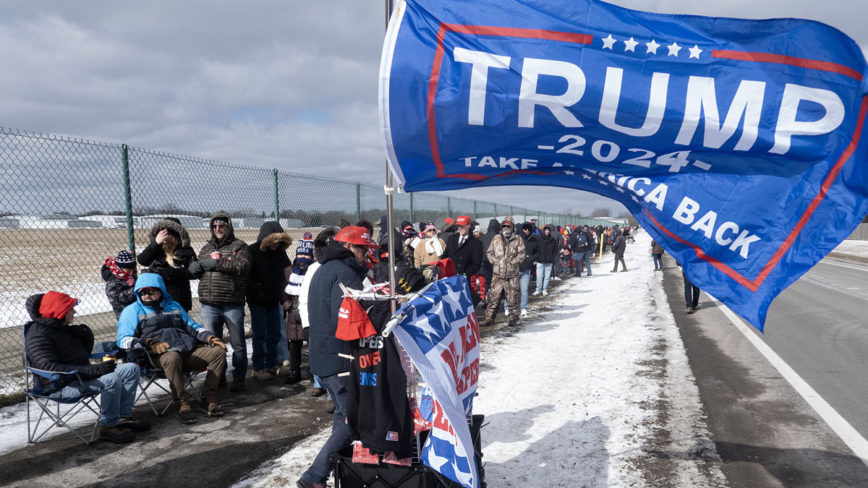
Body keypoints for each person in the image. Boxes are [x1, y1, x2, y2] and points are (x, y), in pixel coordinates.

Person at [299, 226, 372, 487]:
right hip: (339, 357)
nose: (367, 254)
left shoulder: (324, 268)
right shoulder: (344, 273)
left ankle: (332, 473)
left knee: (342, 416)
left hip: (324, 356)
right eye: (363, 249)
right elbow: (347, 321)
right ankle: (313, 476)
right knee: (353, 420)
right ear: (349, 247)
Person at [25, 291, 149, 443]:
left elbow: (83, 354)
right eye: (71, 309)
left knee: (131, 369)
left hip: (80, 376)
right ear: (60, 312)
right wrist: (95, 370)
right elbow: (49, 367)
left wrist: (84, 334)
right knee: (111, 378)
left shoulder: (61, 328)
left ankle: (122, 417)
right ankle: (109, 427)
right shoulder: (38, 334)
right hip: (59, 385)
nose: (74, 312)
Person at [117, 274, 227, 423]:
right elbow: (123, 340)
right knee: (172, 356)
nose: (146, 296)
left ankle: (208, 399)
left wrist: (209, 337)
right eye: (142, 292)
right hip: (156, 357)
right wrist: (148, 343)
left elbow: (192, 327)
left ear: (160, 291)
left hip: (186, 352)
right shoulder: (132, 311)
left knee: (218, 352)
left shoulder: (174, 306)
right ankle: (183, 404)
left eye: (150, 291)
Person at [189, 211, 251, 392]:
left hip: (232, 303)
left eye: (221, 225)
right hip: (209, 304)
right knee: (213, 344)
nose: (218, 229)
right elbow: (201, 269)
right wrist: (195, 269)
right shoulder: (206, 248)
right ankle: (219, 377)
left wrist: (218, 263)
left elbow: (243, 266)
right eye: (215, 226)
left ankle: (239, 377)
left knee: (238, 344)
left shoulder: (240, 246)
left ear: (228, 226)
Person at [246, 221, 293, 381]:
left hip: (274, 299)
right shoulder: (252, 251)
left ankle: (272, 364)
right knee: (260, 335)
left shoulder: (279, 252)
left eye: (278, 241)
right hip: (258, 301)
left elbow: (287, 271)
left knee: (274, 333)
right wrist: (257, 292)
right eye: (272, 241)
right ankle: (258, 367)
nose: (275, 244)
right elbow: (247, 277)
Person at [136, 218, 198, 311]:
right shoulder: (157, 248)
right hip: (157, 297)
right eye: (161, 233)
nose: (164, 236)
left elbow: (194, 272)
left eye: (168, 233)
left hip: (178, 297)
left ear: (176, 235)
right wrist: (155, 243)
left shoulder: (185, 250)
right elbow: (143, 261)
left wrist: (173, 273)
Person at [284, 231, 314, 384]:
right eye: (301, 254)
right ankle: (294, 371)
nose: (304, 258)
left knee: (312, 343)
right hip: (294, 313)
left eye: (308, 255)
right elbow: (281, 291)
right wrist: (289, 306)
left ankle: (313, 373)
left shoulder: (314, 270)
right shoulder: (288, 271)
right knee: (295, 344)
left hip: (310, 312)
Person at [483, 217, 525, 327]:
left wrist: (513, 262)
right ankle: (489, 319)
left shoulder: (518, 239)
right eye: (504, 226)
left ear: (512, 227)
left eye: (508, 226)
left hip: (512, 275)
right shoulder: (496, 238)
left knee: (513, 298)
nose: (506, 228)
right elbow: (489, 252)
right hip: (498, 274)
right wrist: (495, 261)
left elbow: (522, 254)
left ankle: (513, 319)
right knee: (493, 298)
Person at [444, 215, 484, 305]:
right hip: (450, 277)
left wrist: (465, 273)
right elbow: (445, 255)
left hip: (464, 278)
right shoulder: (452, 239)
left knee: (465, 303)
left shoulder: (476, 243)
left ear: (469, 225)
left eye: (462, 226)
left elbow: (476, 264)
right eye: (458, 226)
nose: (460, 228)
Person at [102, 250, 137, 319]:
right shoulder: (113, 281)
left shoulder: (130, 276)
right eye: (128, 268)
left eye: (132, 268)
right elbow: (118, 297)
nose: (131, 271)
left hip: (135, 309)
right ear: (120, 268)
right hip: (124, 314)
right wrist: (135, 289)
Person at [518, 222, 539, 316]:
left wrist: (532, 258)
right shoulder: (517, 239)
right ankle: (508, 307)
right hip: (515, 268)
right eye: (525, 229)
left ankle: (524, 307)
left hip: (527, 268)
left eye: (529, 229)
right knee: (511, 289)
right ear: (522, 229)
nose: (527, 231)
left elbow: (538, 251)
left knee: (524, 289)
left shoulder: (534, 240)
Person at [533, 225, 558, 296]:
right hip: (540, 260)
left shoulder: (553, 240)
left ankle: (544, 289)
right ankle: (538, 289)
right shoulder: (539, 239)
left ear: (550, 231)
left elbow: (556, 249)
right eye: (546, 230)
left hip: (549, 261)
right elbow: (535, 249)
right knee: (539, 276)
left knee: (547, 277)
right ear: (544, 231)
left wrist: (552, 256)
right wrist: (537, 257)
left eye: (548, 230)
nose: (547, 232)